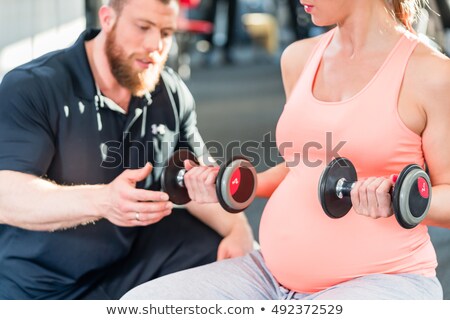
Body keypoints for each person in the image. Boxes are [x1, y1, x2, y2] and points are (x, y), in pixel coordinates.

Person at [122, 0, 450, 299]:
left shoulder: (431, 75)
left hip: (383, 280)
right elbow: (300, 168)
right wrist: (229, 184)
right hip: (268, 276)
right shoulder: (299, 58)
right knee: (142, 304)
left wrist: (396, 198)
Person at [0, 0, 254, 299]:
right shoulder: (33, 87)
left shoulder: (168, 90)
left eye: (166, 31)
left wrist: (239, 230)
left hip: (131, 259)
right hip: (42, 285)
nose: (155, 45)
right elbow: (7, 196)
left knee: (228, 255)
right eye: (143, 27)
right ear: (107, 18)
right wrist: (104, 200)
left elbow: (195, 176)